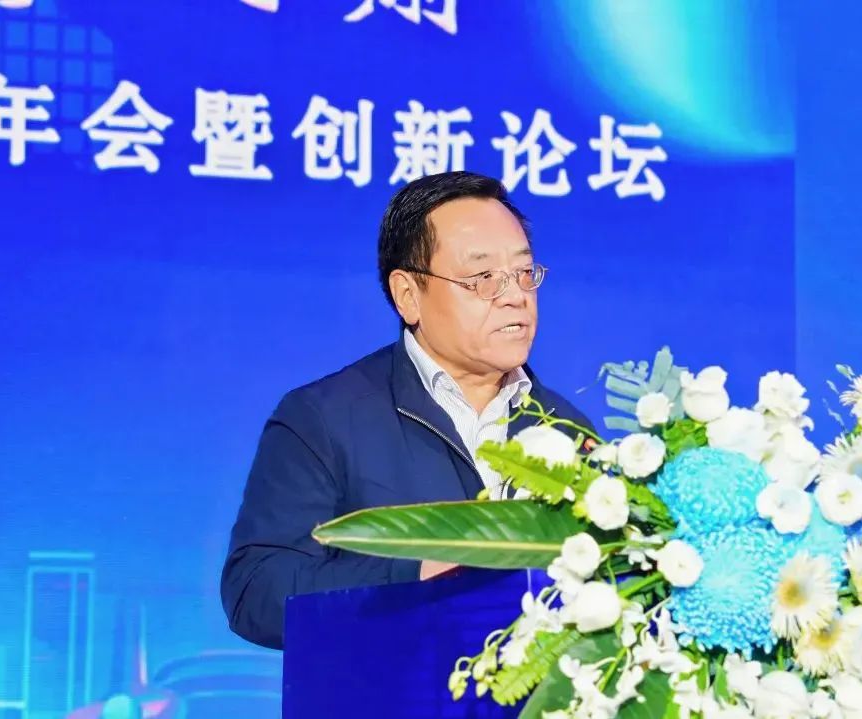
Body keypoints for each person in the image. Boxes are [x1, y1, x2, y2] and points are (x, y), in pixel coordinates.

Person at [220, 171, 592, 649]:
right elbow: (255, 590)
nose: (516, 296)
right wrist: (417, 574)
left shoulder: (566, 428)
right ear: (408, 296)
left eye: (523, 273)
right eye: (483, 278)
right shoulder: (324, 419)